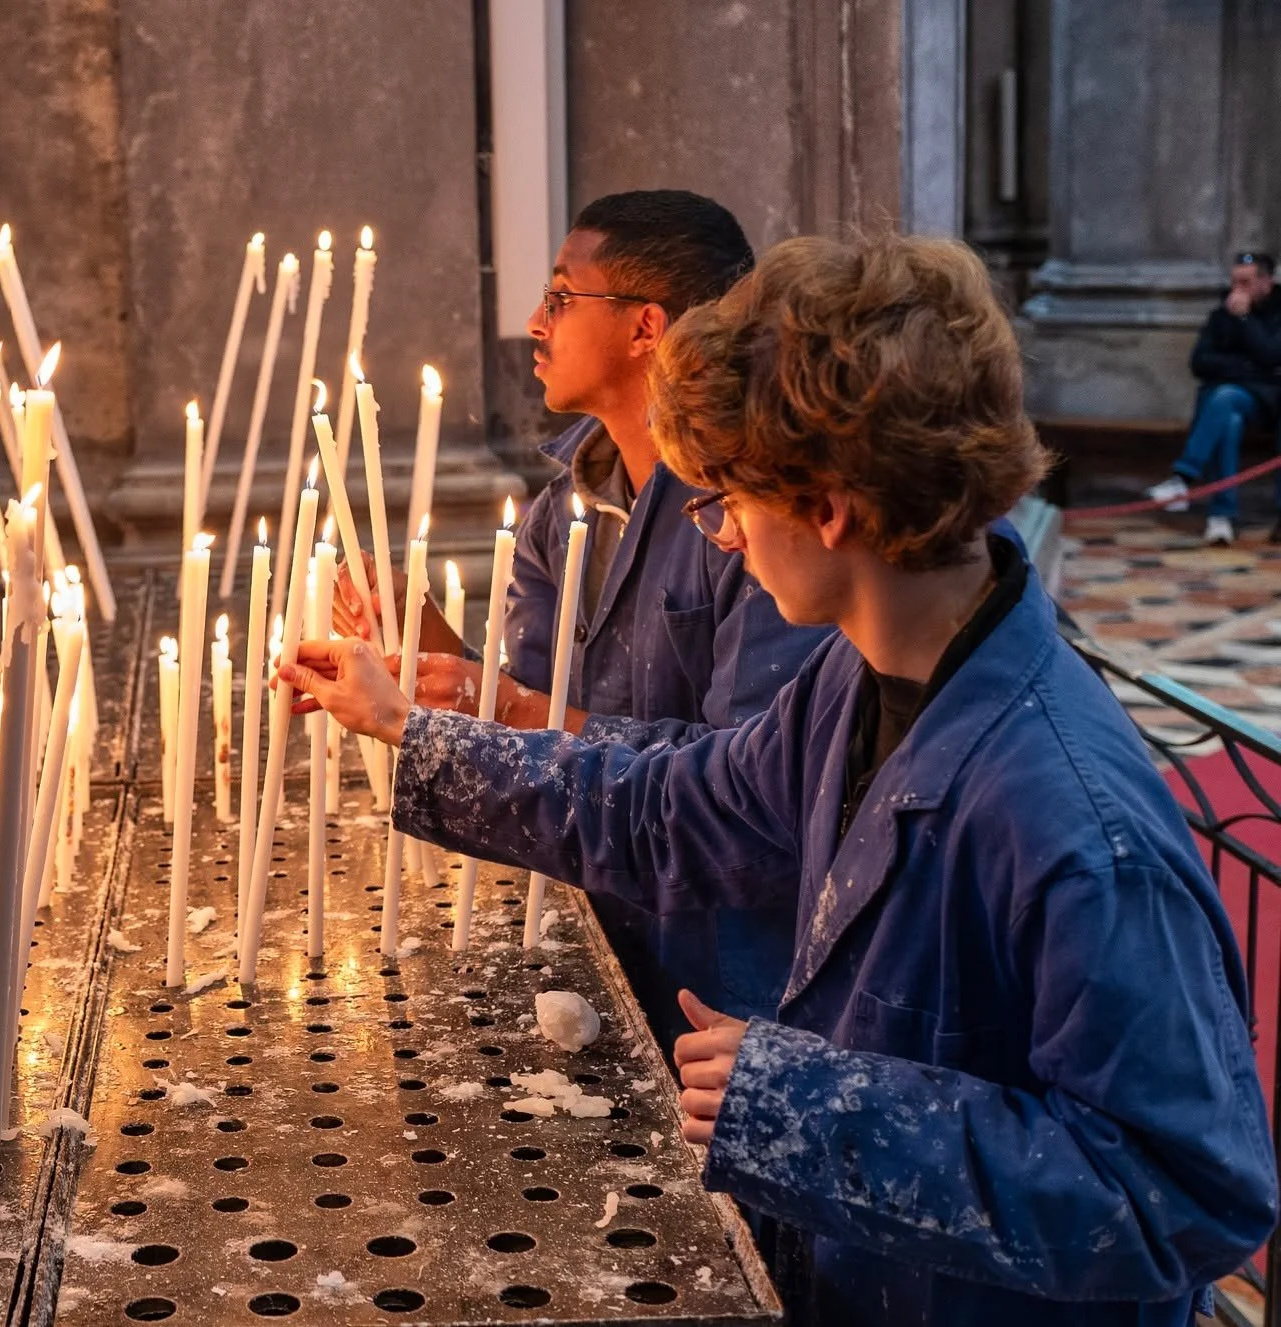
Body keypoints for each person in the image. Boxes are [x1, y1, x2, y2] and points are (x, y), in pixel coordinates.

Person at [285, 234, 1278, 1324]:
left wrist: (804, 1102)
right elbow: (671, 809)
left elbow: (1185, 1190)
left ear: (830, 509)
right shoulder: (860, 683)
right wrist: (412, 728)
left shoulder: (1073, 819)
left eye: (724, 502)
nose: (720, 538)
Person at [352, 191, 830, 1044]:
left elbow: (751, 784)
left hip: (732, 973)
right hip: (602, 913)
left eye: (561, 297)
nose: (535, 321)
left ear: (647, 326)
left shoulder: (751, 520)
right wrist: (420, 637)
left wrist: (484, 713)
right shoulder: (565, 506)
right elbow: (526, 707)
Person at [1145, 251, 1280, 545]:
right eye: (1234, 282)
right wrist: (1249, 369)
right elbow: (1201, 362)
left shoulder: (1273, 313)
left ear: (1266, 283)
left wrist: (1244, 322)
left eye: (1245, 282)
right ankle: (1222, 517)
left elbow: (1272, 355)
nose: (1237, 290)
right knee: (1227, 417)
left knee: (1224, 394)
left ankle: (1183, 479)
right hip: (1232, 399)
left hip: (1269, 402)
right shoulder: (1221, 314)